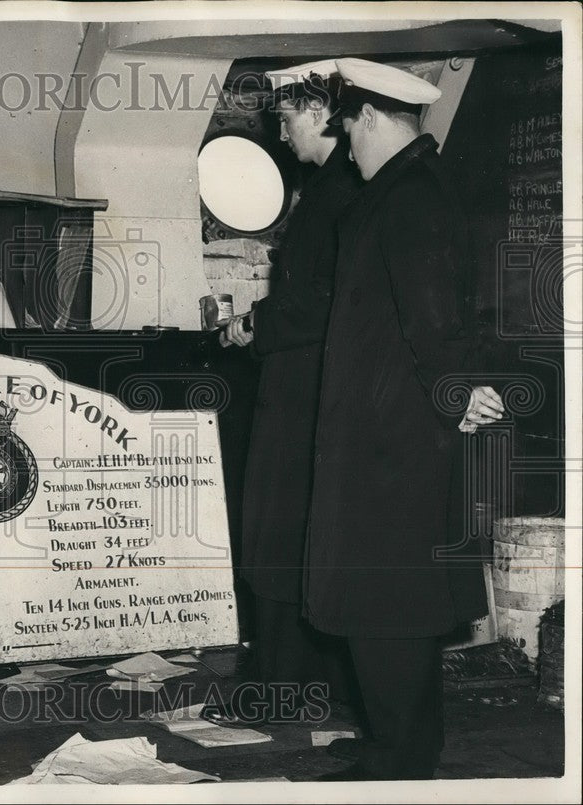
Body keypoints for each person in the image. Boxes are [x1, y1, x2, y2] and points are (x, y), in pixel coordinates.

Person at [305, 57, 503, 781]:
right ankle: (396, 740)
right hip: (384, 437)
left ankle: (403, 758)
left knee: (388, 603)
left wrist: (456, 390)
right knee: (384, 599)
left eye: (347, 127)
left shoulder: (408, 197)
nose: (346, 146)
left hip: (391, 446)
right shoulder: (404, 191)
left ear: (372, 118)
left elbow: (433, 317)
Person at [210, 60, 363, 726]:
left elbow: (318, 301)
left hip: (304, 392)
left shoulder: (337, 193)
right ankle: (290, 681)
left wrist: (252, 324)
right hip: (305, 389)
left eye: (287, 117)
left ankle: (282, 686)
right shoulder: (332, 186)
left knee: (278, 535)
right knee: (286, 536)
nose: (281, 130)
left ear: (321, 116)